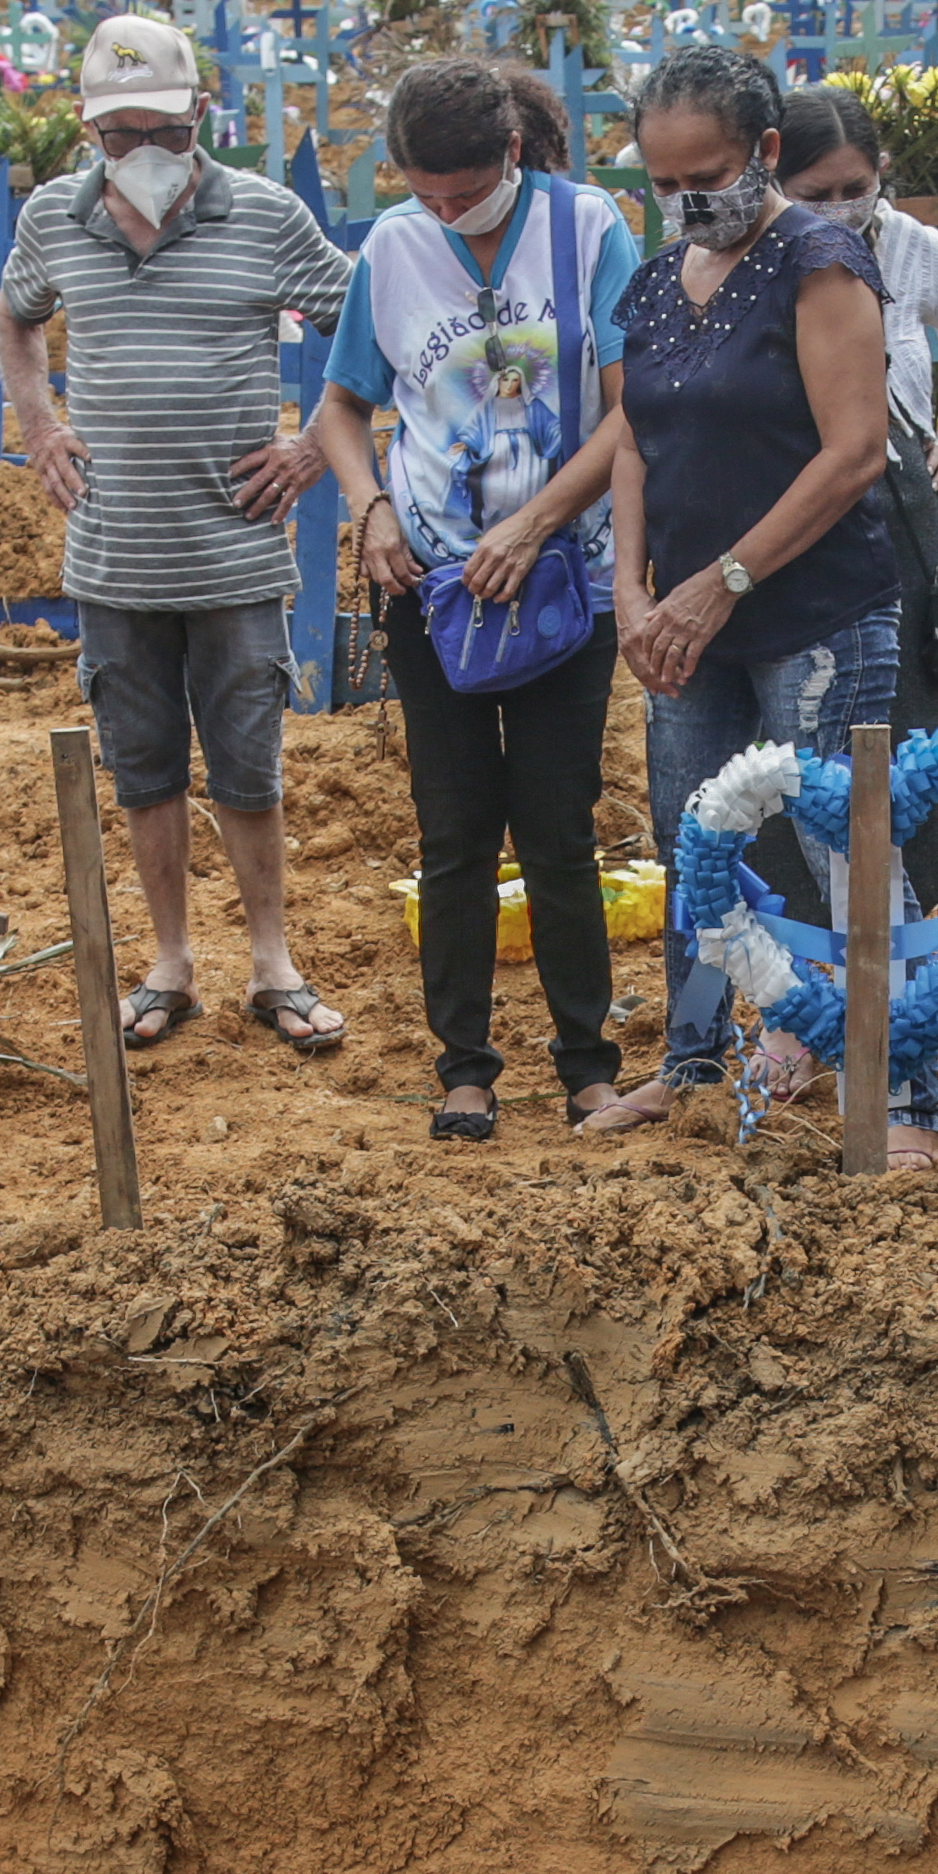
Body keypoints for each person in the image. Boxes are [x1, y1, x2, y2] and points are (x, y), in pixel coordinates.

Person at [0, 12, 358, 1063]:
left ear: (203, 114)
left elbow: (361, 326)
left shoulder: (265, 217)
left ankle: (272, 960)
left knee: (249, 764)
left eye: (160, 129)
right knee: (140, 764)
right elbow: (16, 320)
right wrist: (40, 423)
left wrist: (310, 446)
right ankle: (169, 961)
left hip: (234, 550)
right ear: (86, 130)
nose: (139, 154)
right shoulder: (53, 222)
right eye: (117, 136)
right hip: (114, 553)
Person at [306, 56, 636, 1141]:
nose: (444, 212)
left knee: (556, 828)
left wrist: (535, 525)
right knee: (452, 831)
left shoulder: (588, 231)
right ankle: (465, 1069)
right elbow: (343, 409)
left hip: (562, 582)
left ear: (511, 156)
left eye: (465, 192)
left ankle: (588, 1061)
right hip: (432, 588)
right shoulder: (391, 250)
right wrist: (370, 512)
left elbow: (630, 418)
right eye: (423, 193)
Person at [590, 45, 909, 1148]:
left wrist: (722, 582)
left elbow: (853, 451)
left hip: (811, 614)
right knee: (696, 844)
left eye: (709, 174)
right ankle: (692, 1067)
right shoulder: (653, 278)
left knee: (841, 843)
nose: (687, 200)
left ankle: (898, 1086)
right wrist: (633, 590)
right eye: (664, 181)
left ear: (766, 152)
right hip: (683, 624)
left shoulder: (819, 263)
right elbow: (636, 438)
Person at [779, 83, 938, 746]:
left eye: (855, 188)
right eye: (815, 195)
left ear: (880, 168)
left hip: (902, 518)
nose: (838, 210)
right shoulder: (757, 257)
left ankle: (908, 849)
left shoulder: (909, 245)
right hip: (792, 523)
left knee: (908, 727)